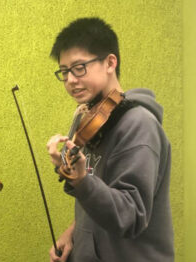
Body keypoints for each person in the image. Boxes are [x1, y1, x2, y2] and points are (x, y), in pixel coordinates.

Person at [46, 18, 173, 262]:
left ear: (110, 63)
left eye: (79, 67)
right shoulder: (91, 119)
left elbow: (130, 215)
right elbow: (101, 192)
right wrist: (73, 234)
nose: (71, 80)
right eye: (64, 71)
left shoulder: (139, 126)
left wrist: (82, 180)